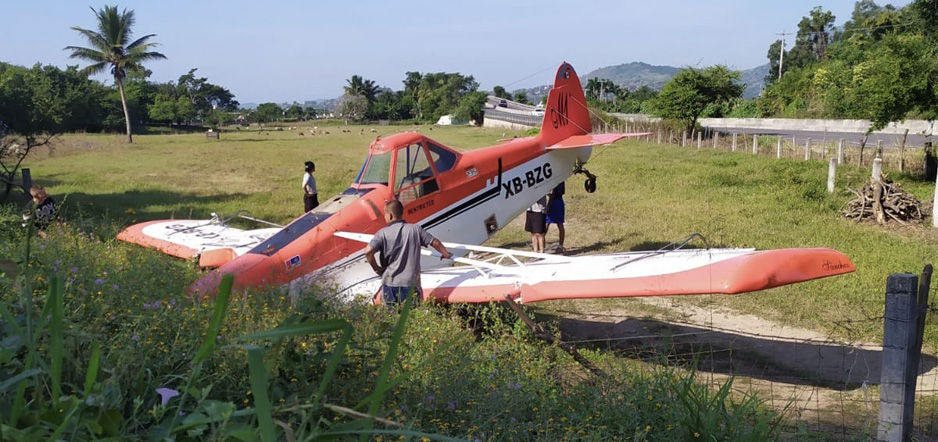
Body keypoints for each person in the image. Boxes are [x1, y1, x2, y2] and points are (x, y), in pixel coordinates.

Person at [364, 200, 452, 307]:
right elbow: (435, 242)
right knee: (411, 317)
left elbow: (368, 251)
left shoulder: (382, 233)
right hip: (411, 284)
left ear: (390, 216)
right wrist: (445, 253)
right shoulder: (415, 229)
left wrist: (377, 268)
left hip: (390, 284)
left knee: (391, 320)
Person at [545, 182, 566, 253]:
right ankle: (561, 244)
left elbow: (553, 193)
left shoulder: (555, 180)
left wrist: (548, 205)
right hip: (560, 201)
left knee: (547, 222)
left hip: (554, 202)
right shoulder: (561, 180)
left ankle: (540, 243)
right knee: (560, 224)